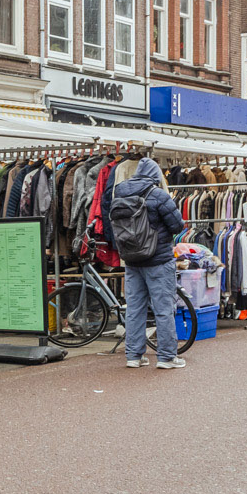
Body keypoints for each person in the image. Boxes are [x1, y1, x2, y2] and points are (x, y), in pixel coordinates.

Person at [103, 157, 187, 370]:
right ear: (155, 175)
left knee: (135, 308)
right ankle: (167, 357)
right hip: (158, 260)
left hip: (131, 260)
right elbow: (177, 225)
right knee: (163, 309)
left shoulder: (119, 193)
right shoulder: (158, 195)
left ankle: (134, 356)